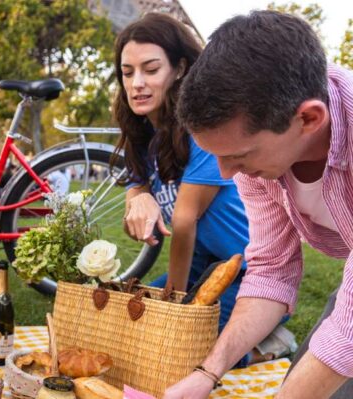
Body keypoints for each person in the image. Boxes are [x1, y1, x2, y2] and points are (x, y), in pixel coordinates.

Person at [164, 10, 353, 399]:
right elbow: (271, 270)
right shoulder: (257, 162)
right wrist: (207, 372)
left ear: (309, 119)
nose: (227, 173)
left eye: (239, 155)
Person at [111, 13, 251, 335]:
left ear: (180, 69)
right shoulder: (145, 130)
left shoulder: (202, 130)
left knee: (178, 342)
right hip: (202, 261)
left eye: (151, 69)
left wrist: (173, 303)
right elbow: (136, 184)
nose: (137, 84)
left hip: (243, 270)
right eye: (127, 73)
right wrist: (139, 196)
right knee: (129, 325)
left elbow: (185, 221)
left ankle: (262, 345)